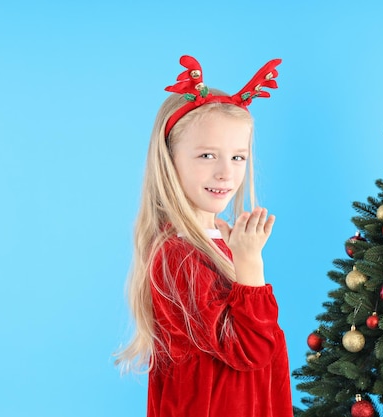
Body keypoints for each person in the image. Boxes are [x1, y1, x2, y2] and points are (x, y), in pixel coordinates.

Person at [116, 55, 293, 417]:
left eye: (238, 157)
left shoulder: (214, 241)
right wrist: (250, 264)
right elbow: (250, 348)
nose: (225, 173)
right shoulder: (177, 254)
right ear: (170, 160)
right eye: (207, 155)